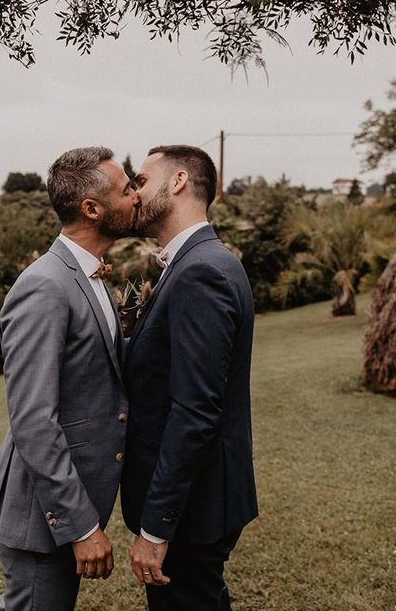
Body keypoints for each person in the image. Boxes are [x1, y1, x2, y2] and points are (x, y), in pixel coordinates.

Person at [0, 147, 138, 611]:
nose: (137, 195)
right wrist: (81, 526)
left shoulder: (90, 277)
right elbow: (33, 419)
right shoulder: (45, 285)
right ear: (92, 209)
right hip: (41, 516)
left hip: (61, 511)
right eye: (127, 188)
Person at [122, 145, 258, 611]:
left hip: (192, 509)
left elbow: (195, 411)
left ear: (177, 181)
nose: (134, 194)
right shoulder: (200, 262)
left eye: (140, 180)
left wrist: (158, 526)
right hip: (201, 500)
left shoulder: (201, 272)